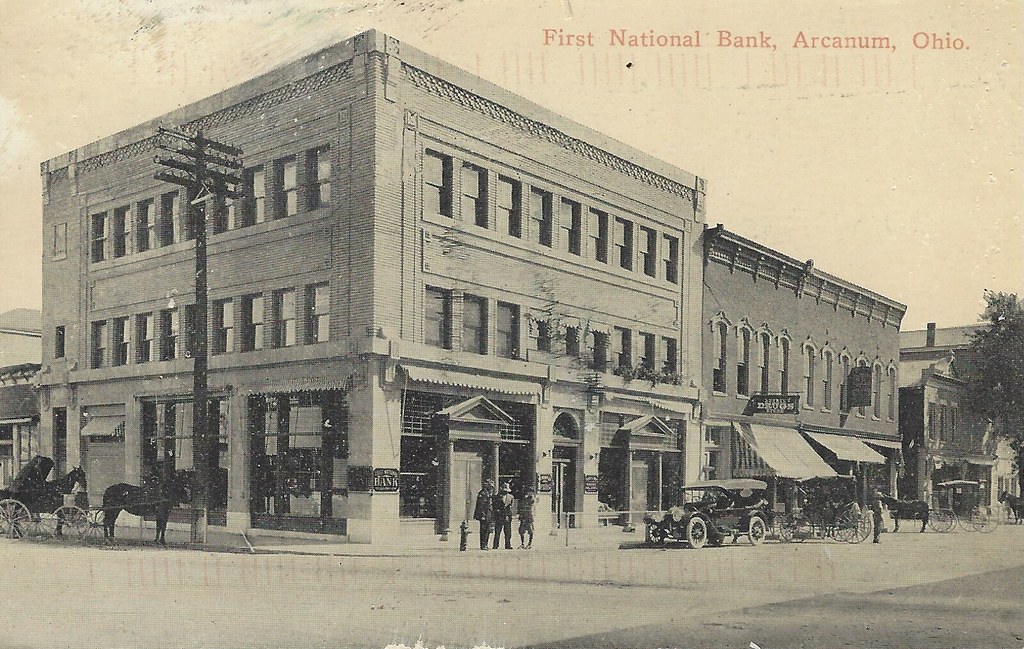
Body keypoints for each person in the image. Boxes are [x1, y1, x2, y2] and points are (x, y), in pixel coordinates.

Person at [492, 481, 515, 550]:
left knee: (508, 531)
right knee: (497, 531)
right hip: (499, 516)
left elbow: (511, 506)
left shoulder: (511, 497)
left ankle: (508, 544)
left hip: (507, 516)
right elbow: (494, 506)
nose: (505, 492)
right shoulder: (496, 497)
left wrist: (508, 515)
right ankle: (495, 545)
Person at [473, 479, 495, 550]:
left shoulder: (488, 493)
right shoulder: (483, 493)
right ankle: (483, 545)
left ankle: (485, 544)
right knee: (484, 530)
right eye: (490, 487)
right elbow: (481, 505)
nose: (491, 488)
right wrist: (482, 515)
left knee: (487, 530)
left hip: (488, 513)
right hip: (484, 514)